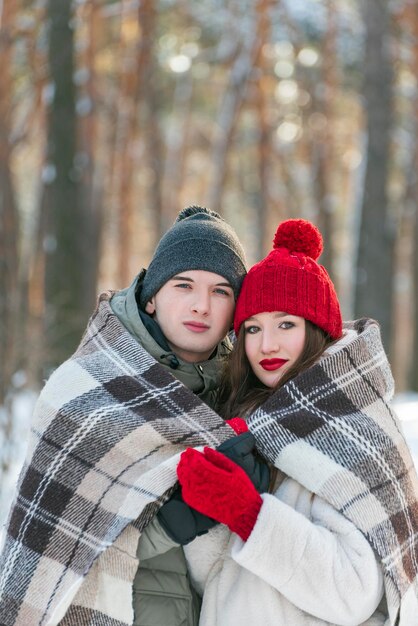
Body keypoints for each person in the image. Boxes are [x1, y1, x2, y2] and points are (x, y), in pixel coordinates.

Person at [0, 206, 264, 626]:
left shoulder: (245, 394)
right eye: (184, 285)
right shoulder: (87, 386)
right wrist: (173, 523)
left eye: (221, 292)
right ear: (153, 295)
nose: (201, 306)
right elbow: (59, 544)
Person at [176, 219, 418, 626]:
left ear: (317, 329)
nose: (266, 344)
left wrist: (247, 511)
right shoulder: (247, 419)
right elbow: (215, 581)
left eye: (285, 324)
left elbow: (354, 592)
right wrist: (211, 505)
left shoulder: (353, 425)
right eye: (253, 328)